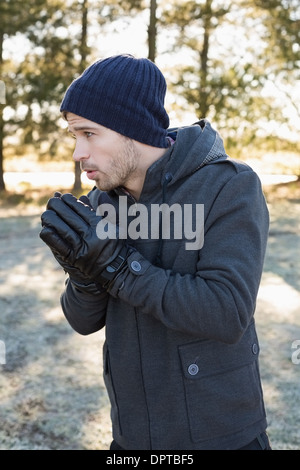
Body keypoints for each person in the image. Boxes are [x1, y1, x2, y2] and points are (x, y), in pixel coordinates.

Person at [39, 54, 272, 450]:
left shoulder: (228, 187)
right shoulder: (101, 203)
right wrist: (82, 273)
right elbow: (82, 321)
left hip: (221, 435)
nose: (78, 153)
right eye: (73, 136)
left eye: (89, 134)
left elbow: (226, 311)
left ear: (133, 130)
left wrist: (115, 267)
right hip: (132, 438)